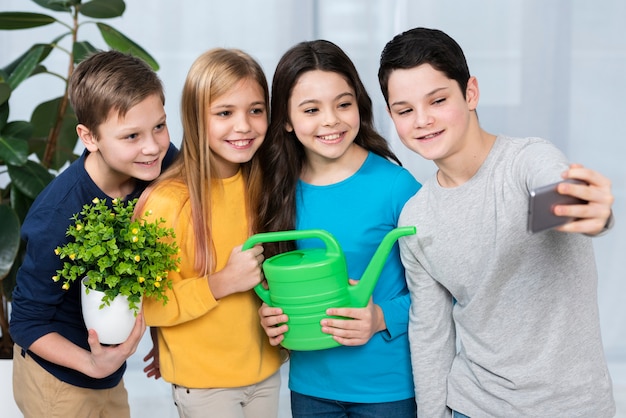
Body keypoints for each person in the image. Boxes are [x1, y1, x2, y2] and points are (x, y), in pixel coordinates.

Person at [378, 27, 616, 417]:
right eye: (405, 110)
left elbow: (561, 199)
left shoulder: (526, 164)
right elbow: (431, 335)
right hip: (473, 407)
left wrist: (594, 213)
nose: (422, 120)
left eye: (437, 100)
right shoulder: (416, 218)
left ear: (470, 93)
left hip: (573, 408)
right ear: (392, 116)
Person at [257, 40, 421, 417]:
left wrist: (382, 317)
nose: (330, 120)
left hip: (387, 389)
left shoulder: (397, 187)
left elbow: (443, 288)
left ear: (359, 107)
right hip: (310, 388)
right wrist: (269, 312)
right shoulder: (276, 191)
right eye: (311, 109)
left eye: (343, 104)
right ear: (285, 119)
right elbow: (279, 282)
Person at [9, 50, 178, 418]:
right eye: (131, 135)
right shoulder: (59, 213)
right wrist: (91, 364)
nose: (153, 146)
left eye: (160, 126)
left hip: (108, 372)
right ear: (89, 137)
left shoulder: (157, 162)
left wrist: (163, 336)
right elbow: (25, 321)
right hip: (56, 380)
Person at [135, 48, 283, 418]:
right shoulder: (167, 201)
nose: (244, 126)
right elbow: (148, 304)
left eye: (255, 110)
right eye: (224, 113)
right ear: (196, 118)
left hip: (267, 372)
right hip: (205, 385)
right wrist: (222, 281)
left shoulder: (263, 184)